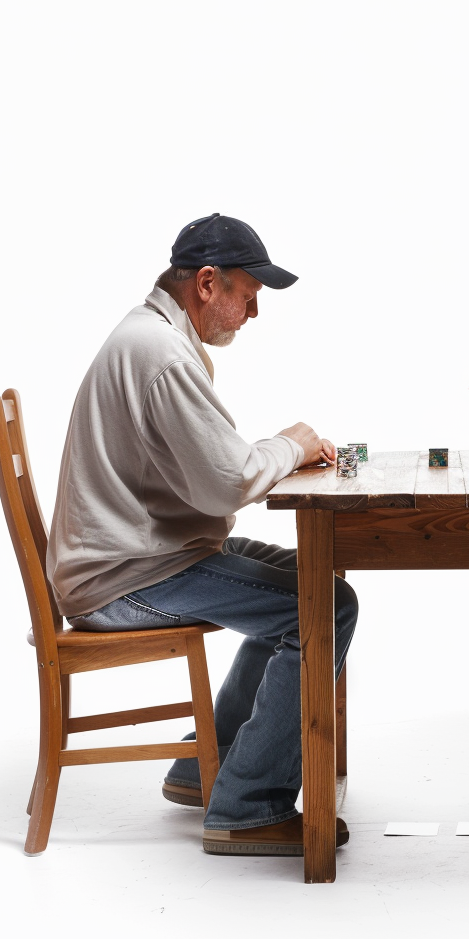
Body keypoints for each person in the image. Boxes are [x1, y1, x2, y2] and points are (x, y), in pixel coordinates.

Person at [46, 213, 357, 857]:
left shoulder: (152, 336)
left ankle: (204, 769)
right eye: (248, 295)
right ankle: (247, 805)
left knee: (312, 587)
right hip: (124, 578)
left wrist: (276, 455)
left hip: (137, 556)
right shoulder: (159, 353)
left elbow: (203, 481)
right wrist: (292, 443)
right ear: (208, 283)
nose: (253, 312)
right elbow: (224, 484)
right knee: (326, 607)